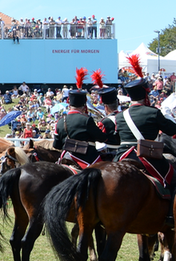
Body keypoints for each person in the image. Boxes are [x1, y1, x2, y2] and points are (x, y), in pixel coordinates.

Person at [114, 58, 176, 204]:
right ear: (146, 95)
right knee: (173, 178)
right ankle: (170, 215)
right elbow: (171, 130)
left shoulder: (120, 115)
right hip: (147, 156)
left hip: (121, 155)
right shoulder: (152, 112)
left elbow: (117, 139)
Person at [52, 69, 108, 168]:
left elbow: (56, 145)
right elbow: (101, 138)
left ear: (69, 104)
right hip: (87, 159)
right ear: (84, 105)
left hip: (66, 157)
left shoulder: (60, 121)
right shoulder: (86, 119)